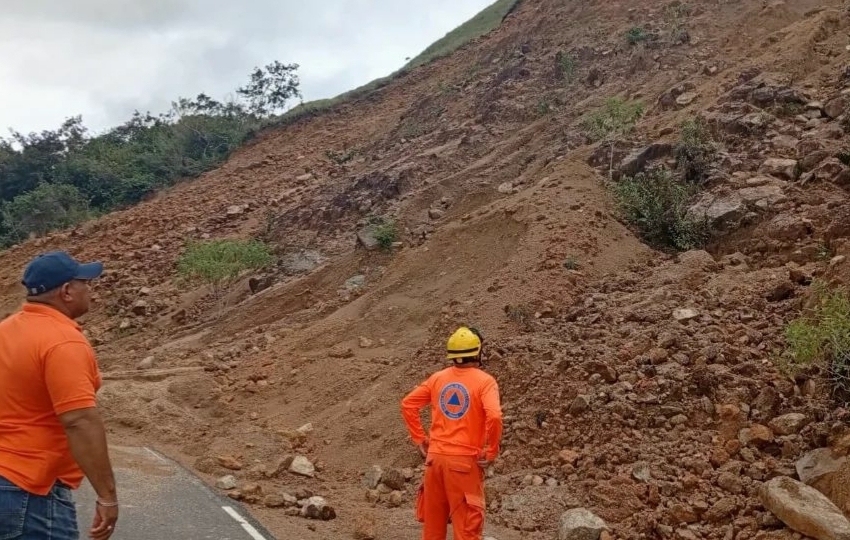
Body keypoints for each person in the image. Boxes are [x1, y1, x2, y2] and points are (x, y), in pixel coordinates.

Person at [0, 251, 118, 540]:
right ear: (67, 291)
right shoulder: (63, 342)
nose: (90, 290)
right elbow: (79, 420)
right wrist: (107, 496)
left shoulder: (5, 331)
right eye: (85, 283)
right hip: (31, 491)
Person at [401, 326, 503, 540]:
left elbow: (408, 404)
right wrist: (491, 451)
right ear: (477, 352)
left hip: (434, 462)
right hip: (464, 466)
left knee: (432, 530)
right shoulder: (485, 381)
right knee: (466, 530)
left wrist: (420, 439)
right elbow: (494, 416)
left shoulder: (437, 378)